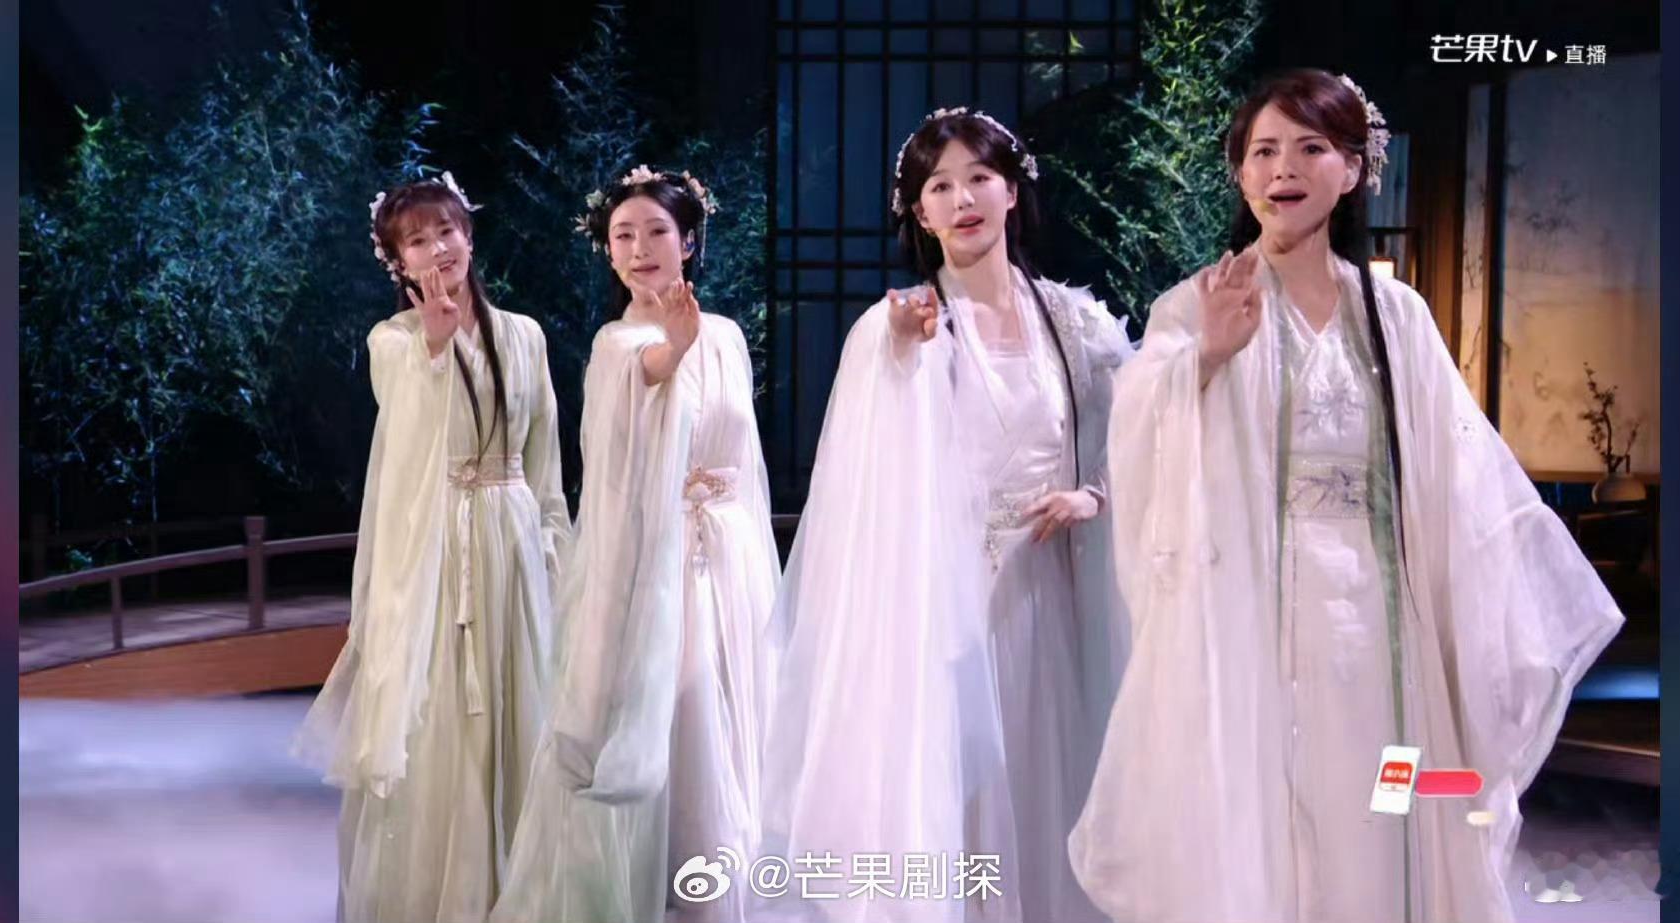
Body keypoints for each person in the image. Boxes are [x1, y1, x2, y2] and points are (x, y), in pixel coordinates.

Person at [1067, 70, 1624, 923]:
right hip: (1249, 610)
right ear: (1240, 172)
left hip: (1376, 614)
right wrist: (1204, 359)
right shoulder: (1199, 302)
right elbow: (1138, 434)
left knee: (1378, 795)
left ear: (1354, 169)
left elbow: (1459, 467)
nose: (1282, 169)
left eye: (1310, 148)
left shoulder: (1395, 313)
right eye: (1262, 151)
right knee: (1266, 801)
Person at [762, 108, 1131, 923]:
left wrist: (1093, 494)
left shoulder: (1073, 320)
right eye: (939, 186)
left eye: (979, 178)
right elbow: (864, 474)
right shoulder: (901, 321)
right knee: (952, 792)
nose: (962, 199)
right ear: (917, 212)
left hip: (1048, 594)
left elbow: (1141, 435)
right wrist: (901, 353)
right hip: (945, 607)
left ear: (1012, 192)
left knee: (1043, 785)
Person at [495, 166, 779, 923]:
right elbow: (645, 387)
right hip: (659, 561)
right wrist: (673, 348)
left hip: (731, 551)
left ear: (689, 242)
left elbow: (746, 460)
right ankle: (672, 882)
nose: (640, 248)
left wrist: (756, 557)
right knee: (678, 711)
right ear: (608, 251)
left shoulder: (726, 335)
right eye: (623, 235)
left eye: (657, 231)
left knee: (735, 710)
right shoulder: (618, 343)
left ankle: (730, 877)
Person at [293, 173, 571, 923]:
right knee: (446, 714)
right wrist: (437, 347)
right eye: (416, 241)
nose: (437, 249)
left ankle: (521, 888)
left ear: (469, 235)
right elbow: (407, 441)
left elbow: (544, 459)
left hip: (512, 542)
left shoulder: (524, 334)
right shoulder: (393, 342)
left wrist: (554, 550)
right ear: (398, 262)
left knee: (522, 708)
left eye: (446, 231)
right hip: (438, 554)